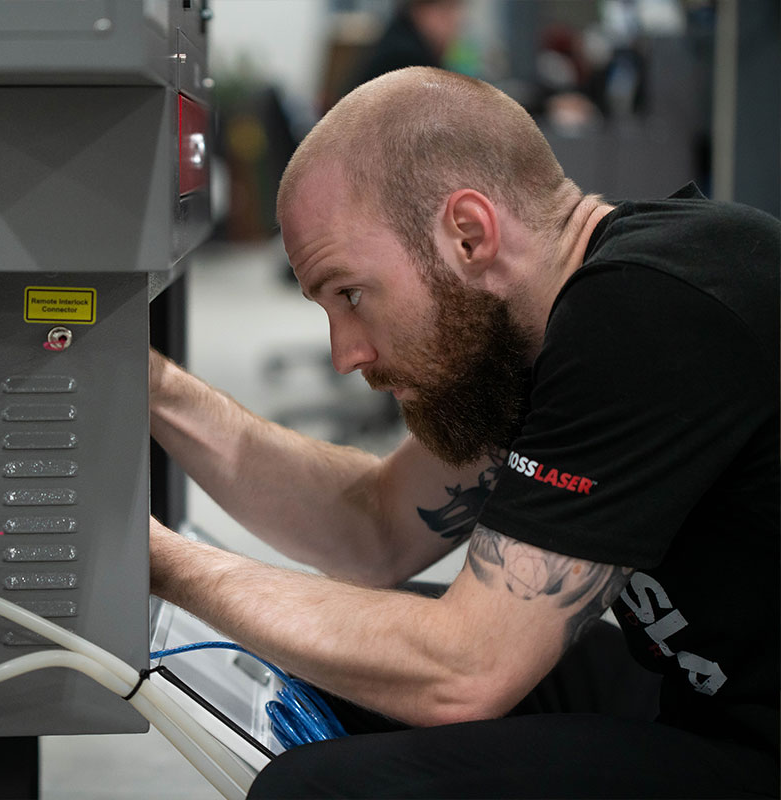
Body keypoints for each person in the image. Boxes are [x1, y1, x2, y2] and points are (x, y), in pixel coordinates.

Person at [148, 67, 779, 798]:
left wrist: (154, 562)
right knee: (329, 657)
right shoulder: (539, 326)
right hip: (696, 693)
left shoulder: (646, 314)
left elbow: (466, 673)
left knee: (318, 788)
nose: (344, 354)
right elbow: (375, 529)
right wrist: (152, 386)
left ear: (469, 234)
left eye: (350, 294)